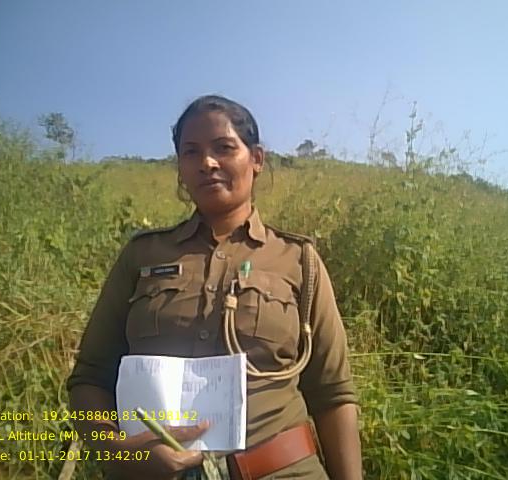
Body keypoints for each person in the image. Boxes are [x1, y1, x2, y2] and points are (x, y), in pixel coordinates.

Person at [67, 95, 363, 479]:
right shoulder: (142, 255)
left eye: (223, 148)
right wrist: (118, 452)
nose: (206, 163)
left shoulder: (298, 259)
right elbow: (90, 377)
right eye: (191, 152)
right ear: (180, 167)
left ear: (256, 158)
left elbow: (333, 392)